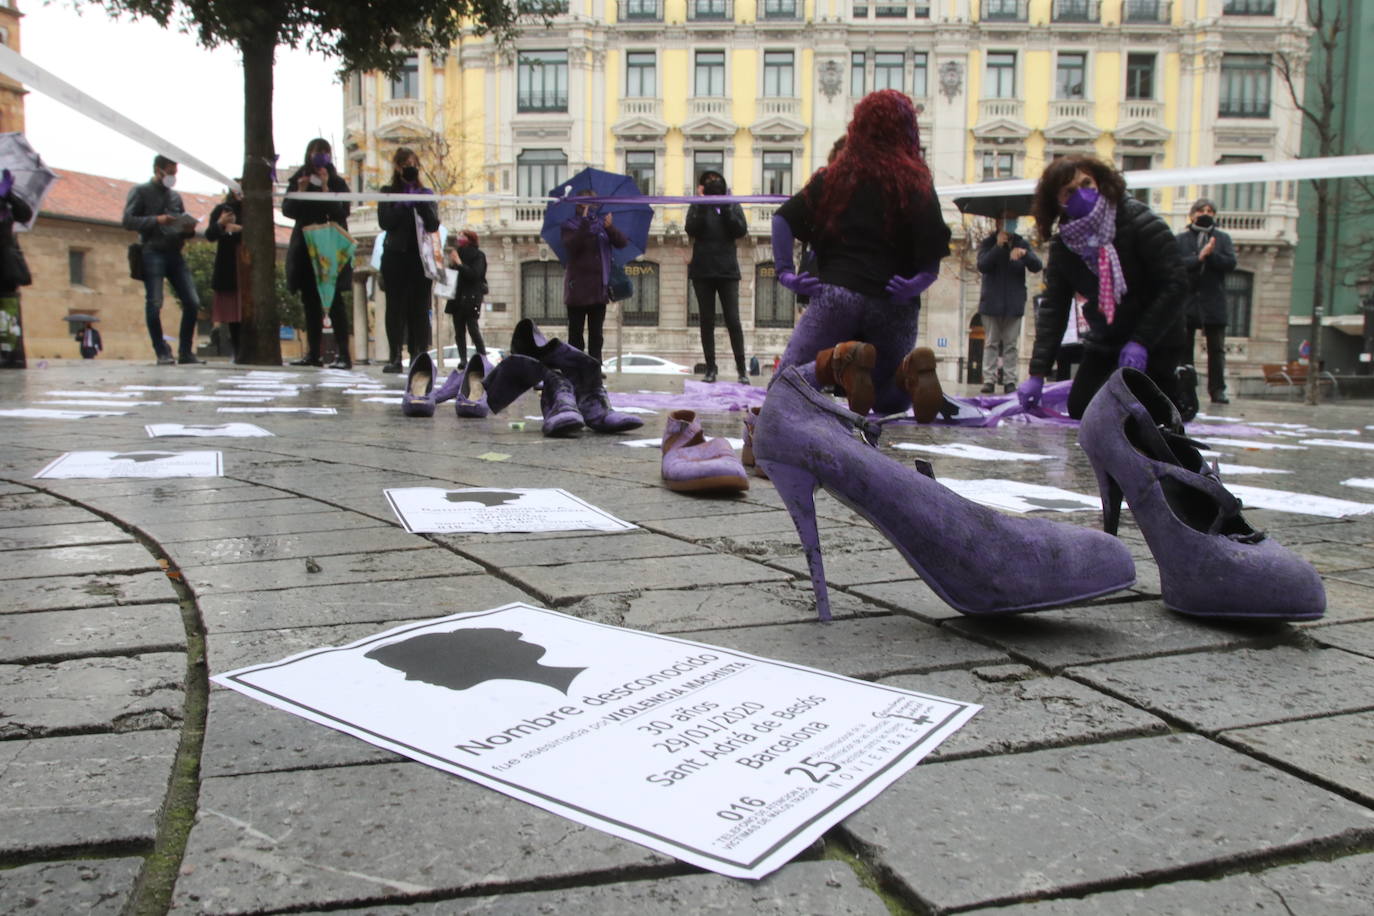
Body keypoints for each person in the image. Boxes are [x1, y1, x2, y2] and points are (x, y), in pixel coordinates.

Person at [770, 89, 952, 420]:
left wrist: (786, 273)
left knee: (784, 386)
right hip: (895, 303)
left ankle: (836, 365)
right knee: (888, 401)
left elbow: (783, 218)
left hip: (838, 295)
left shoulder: (835, 176)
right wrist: (918, 282)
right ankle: (909, 373)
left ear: (857, 126)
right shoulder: (918, 182)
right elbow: (934, 245)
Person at [1017, 155, 1186, 419]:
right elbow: (1054, 308)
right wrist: (1037, 374)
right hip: (1107, 338)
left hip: (1155, 337)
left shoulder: (1138, 220)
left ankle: (1180, 386)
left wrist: (1141, 341)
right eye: (1070, 191)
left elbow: (1177, 284)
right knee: (1083, 407)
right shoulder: (1066, 245)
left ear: (1100, 181)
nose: (1081, 194)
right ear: (1057, 200)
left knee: (1146, 411)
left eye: (1086, 183)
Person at [122, 155, 201, 365]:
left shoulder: (175, 197)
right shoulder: (140, 191)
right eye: (170, 172)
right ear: (158, 170)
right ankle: (162, 351)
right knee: (155, 302)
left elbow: (182, 225)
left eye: (175, 172)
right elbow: (128, 220)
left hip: (175, 253)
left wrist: (188, 229)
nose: (173, 176)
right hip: (152, 251)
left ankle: (186, 351)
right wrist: (157, 220)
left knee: (192, 302)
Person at [282, 139, 353, 369]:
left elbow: (342, 212)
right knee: (310, 301)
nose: (321, 157)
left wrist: (325, 189)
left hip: (329, 248)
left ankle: (344, 355)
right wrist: (301, 191)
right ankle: (313, 353)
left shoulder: (337, 182)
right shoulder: (298, 179)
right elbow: (288, 210)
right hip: (305, 247)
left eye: (325, 152)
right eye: (317, 152)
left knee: (335, 302)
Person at [377, 147, 441, 372]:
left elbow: (433, 224)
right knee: (395, 308)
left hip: (420, 259)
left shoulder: (425, 193)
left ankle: (418, 354)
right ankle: (395, 356)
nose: (411, 168)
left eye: (415, 164)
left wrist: (420, 202)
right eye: (406, 164)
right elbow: (385, 222)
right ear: (397, 167)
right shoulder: (387, 192)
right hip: (395, 256)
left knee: (420, 309)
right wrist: (402, 203)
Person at [686, 170, 749, 383]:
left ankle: (742, 370)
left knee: (733, 320)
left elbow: (740, 230)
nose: (713, 185)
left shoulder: (731, 204)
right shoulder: (697, 205)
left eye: (716, 182)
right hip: (703, 270)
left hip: (727, 270)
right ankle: (711, 368)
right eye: (708, 182)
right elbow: (691, 228)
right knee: (706, 321)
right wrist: (703, 205)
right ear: (702, 188)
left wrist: (727, 207)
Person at [1176, 197, 1237, 405]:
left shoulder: (1223, 239)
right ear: (1192, 214)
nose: (1206, 213)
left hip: (1213, 302)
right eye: (1202, 210)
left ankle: (1218, 390)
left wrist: (1211, 256)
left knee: (1217, 349)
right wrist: (1199, 257)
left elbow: (1230, 263)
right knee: (1184, 348)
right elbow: (1175, 265)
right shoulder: (1181, 239)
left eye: (1211, 211)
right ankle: (1185, 389)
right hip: (1188, 302)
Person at [976, 210, 1042, 393]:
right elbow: (982, 265)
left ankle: (1009, 380)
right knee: (991, 342)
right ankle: (988, 379)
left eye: (1014, 219)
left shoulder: (1022, 242)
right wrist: (998, 247)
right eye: (1007, 219)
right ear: (998, 222)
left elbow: (1037, 266)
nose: (1011, 223)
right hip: (991, 302)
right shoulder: (988, 242)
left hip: (1014, 303)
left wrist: (1024, 254)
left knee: (1011, 345)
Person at [561, 189, 627, 362]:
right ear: (581, 203)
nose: (594, 205)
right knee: (576, 335)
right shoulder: (570, 225)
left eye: (596, 201)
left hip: (599, 290)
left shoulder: (601, 225)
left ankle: (595, 367)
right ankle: (576, 367)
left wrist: (610, 227)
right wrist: (583, 221)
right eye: (591, 201)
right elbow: (573, 245)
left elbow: (621, 242)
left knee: (596, 335)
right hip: (577, 290)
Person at [205, 184, 245, 361]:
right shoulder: (222, 210)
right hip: (228, 264)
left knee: (246, 309)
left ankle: (245, 349)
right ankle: (236, 349)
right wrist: (221, 224)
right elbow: (210, 234)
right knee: (233, 312)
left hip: (247, 261)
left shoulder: (254, 210)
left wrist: (240, 230)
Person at [0, 169, 32, 369]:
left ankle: (11, 355)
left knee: (8, 309)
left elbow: (25, 214)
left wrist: (9, 195)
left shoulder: (5, 202)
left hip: (5, 264)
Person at [444, 230, 487, 368]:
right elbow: (452, 276)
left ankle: (482, 356)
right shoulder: (457, 253)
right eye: (459, 235)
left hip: (472, 297)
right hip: (457, 297)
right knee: (459, 330)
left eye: (463, 236)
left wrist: (460, 264)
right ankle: (463, 359)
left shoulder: (478, 256)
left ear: (470, 239)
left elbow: (475, 275)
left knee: (472, 328)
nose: (459, 238)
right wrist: (452, 264)